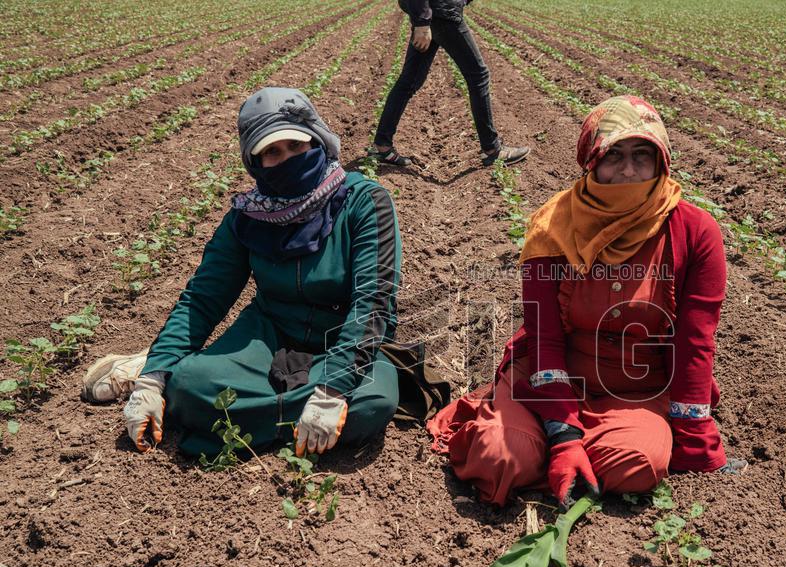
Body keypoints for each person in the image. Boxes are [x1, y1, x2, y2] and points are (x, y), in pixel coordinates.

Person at [427, 95, 747, 507]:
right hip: (552, 375)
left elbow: (694, 343)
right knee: (499, 459)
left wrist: (696, 444)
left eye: (642, 155)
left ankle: (570, 453)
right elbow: (545, 338)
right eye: (614, 155)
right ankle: (552, 445)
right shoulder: (555, 226)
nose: (628, 170)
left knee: (636, 464)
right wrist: (563, 436)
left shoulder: (694, 231)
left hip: (638, 387)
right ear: (591, 159)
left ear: (662, 161)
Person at [82, 87, 401, 459]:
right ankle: (159, 367)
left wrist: (333, 390)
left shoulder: (365, 202)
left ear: (316, 140)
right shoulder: (246, 218)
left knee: (374, 399)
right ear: (255, 162)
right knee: (188, 384)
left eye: (296, 146)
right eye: (272, 153)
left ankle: (240, 420)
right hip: (268, 337)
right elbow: (203, 299)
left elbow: (374, 303)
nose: (288, 159)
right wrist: (154, 381)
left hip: (343, 340)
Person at [369, 0, 530, 167]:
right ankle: (492, 149)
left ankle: (382, 145)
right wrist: (422, 22)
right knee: (478, 75)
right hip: (442, 11)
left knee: (410, 80)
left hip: (436, 11)